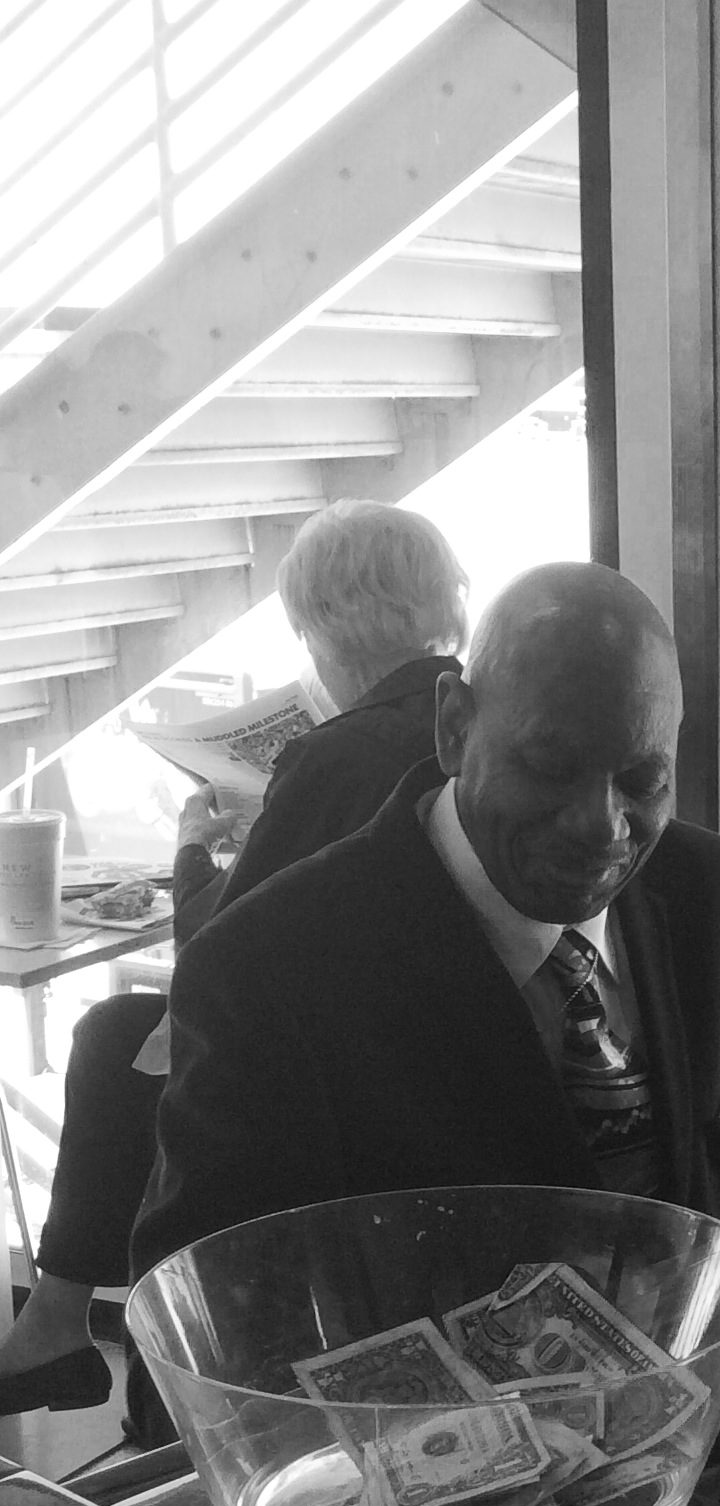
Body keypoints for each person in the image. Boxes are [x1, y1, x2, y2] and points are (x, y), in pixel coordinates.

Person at [131, 562, 720, 1276]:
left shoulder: (713, 893)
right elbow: (209, 1314)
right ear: (454, 727)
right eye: (552, 768)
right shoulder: (265, 973)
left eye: (643, 781)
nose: (602, 827)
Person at [0, 501, 468, 1415]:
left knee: (117, 1040)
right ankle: (56, 1329)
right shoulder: (453, 721)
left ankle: (62, 1328)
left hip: (323, 1065)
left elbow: (219, 959)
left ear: (322, 625)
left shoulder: (337, 754)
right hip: (414, 1035)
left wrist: (190, 851)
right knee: (118, 1032)